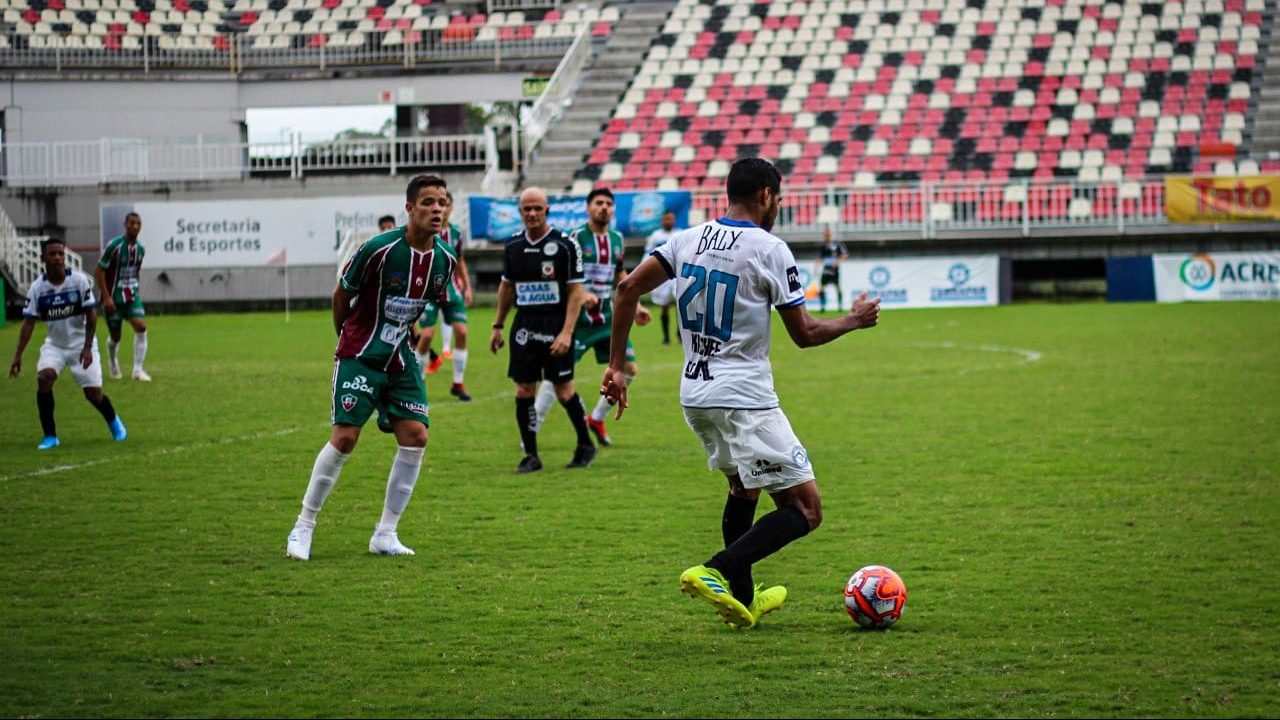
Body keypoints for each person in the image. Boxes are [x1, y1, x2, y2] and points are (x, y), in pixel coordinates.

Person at [601, 158, 881, 629]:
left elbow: (627, 288)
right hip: (744, 397)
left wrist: (614, 366)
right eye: (779, 200)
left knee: (744, 489)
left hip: (695, 394)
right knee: (805, 510)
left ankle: (744, 601)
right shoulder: (770, 249)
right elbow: (805, 333)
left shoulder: (685, 240)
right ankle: (716, 570)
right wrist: (854, 320)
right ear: (767, 196)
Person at [286, 174, 459, 561]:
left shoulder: (445, 260)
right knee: (346, 437)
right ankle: (304, 525)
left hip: (400, 358)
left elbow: (415, 308)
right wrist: (346, 342)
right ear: (410, 208)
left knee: (416, 436)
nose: (437, 209)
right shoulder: (379, 249)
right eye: (428, 202)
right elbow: (341, 293)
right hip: (360, 354)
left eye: (442, 202)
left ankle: (385, 533)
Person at [531, 187, 650, 447]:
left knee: (629, 369)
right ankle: (533, 429)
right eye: (599, 203)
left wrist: (637, 304)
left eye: (608, 203)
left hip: (608, 316)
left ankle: (596, 418)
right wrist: (581, 294)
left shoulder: (617, 239)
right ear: (588, 208)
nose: (604, 207)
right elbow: (561, 275)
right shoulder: (575, 239)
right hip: (579, 319)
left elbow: (620, 274)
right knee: (557, 375)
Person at [489, 187, 596, 474]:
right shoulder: (512, 246)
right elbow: (507, 287)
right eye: (527, 209)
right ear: (520, 212)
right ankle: (532, 456)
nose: (533, 213)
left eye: (538, 208)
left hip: (555, 324)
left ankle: (586, 444)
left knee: (563, 391)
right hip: (524, 325)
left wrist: (567, 332)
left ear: (547, 210)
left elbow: (576, 291)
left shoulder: (564, 245)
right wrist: (498, 325)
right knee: (524, 390)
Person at [10, 239, 128, 450]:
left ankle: (114, 423)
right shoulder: (38, 288)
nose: (57, 258)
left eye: (60, 254)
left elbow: (92, 315)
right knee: (44, 378)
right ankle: (50, 436)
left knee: (93, 395)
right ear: (43, 258)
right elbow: (28, 323)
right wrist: (18, 355)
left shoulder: (79, 281)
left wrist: (87, 346)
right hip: (55, 345)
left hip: (82, 344)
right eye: (52, 254)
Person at [413, 191, 473, 401]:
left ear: (451, 208)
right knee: (426, 336)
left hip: (453, 291)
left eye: (446, 204)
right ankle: (418, 381)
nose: (443, 209)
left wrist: (467, 285)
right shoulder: (425, 232)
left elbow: (460, 260)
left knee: (462, 332)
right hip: (429, 293)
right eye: (439, 205)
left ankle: (458, 383)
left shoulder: (456, 233)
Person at [95, 212, 150, 381]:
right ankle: (112, 363)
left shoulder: (140, 249)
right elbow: (99, 271)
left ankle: (137, 370)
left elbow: (136, 271)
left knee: (141, 327)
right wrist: (106, 297)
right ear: (125, 224)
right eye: (132, 223)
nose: (135, 226)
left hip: (131, 297)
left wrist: (137, 291)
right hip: (113, 298)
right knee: (116, 336)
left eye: (138, 223)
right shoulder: (115, 246)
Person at [644, 210, 680, 344]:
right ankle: (666, 337)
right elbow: (648, 254)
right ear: (662, 220)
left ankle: (679, 333)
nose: (668, 221)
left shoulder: (680, 234)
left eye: (670, 219)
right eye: (666, 219)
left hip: (677, 275)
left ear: (674, 220)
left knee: (679, 304)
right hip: (662, 275)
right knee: (664, 306)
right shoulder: (655, 236)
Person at [816, 225, 849, 312]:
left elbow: (844, 255)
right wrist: (816, 268)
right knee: (822, 288)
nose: (827, 236)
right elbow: (819, 258)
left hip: (834, 270)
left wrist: (837, 262)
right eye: (825, 234)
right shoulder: (823, 246)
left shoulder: (837, 245)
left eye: (828, 234)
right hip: (826, 269)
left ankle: (840, 306)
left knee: (837, 287)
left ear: (831, 234)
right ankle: (822, 306)